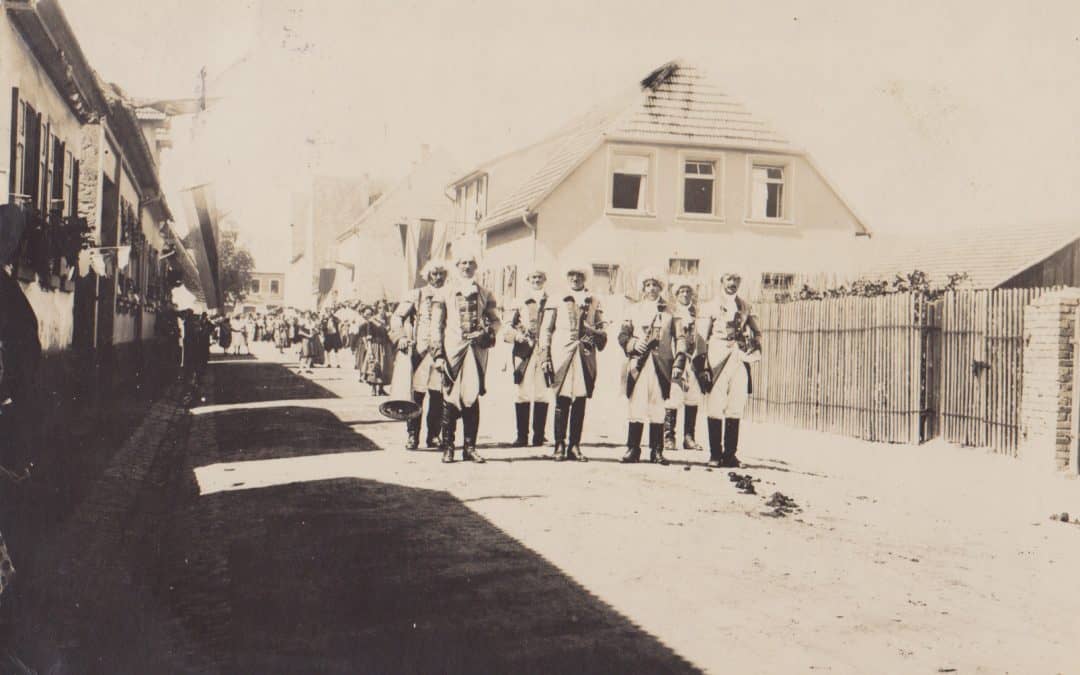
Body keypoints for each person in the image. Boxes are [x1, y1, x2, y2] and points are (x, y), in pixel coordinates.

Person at [431, 246, 501, 463]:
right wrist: (438, 354)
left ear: (476, 266)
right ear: (456, 266)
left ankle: (469, 447)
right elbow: (436, 326)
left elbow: (496, 321)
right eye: (463, 263)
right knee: (450, 397)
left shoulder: (485, 293)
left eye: (471, 263)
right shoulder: (444, 293)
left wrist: (487, 332)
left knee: (471, 397)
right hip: (453, 349)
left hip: (475, 351)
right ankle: (448, 447)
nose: (467, 267)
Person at [538, 263, 606, 462]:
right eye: (571, 275)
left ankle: (575, 445)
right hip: (562, 354)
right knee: (562, 399)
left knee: (580, 399)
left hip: (585, 355)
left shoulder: (593, 300)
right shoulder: (556, 299)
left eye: (579, 275)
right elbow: (546, 330)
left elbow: (602, 329)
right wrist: (545, 356)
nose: (575, 279)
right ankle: (559, 444)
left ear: (585, 278)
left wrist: (594, 333)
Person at [696, 272, 762, 468]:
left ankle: (730, 454)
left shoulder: (746, 307)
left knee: (736, 404)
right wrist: (702, 366)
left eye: (736, 280)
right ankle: (715, 454)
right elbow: (701, 338)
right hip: (717, 359)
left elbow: (757, 333)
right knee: (715, 405)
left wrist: (754, 346)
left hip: (739, 359)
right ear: (721, 281)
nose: (732, 284)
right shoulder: (710, 306)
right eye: (729, 280)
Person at [617, 269, 682, 466]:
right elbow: (622, 336)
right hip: (639, 363)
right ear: (643, 288)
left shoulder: (671, 311)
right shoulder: (633, 310)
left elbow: (680, 338)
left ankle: (657, 451)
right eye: (648, 285)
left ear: (661, 288)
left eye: (655, 285)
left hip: (661, 364)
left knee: (658, 407)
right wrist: (633, 345)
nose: (652, 289)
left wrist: (679, 363)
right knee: (636, 404)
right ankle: (633, 449)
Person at [390, 260, 449, 450]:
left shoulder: (451, 294)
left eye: (441, 274)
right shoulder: (416, 294)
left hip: (443, 352)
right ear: (427, 276)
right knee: (417, 396)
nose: (438, 278)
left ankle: (433, 436)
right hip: (420, 352)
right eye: (434, 274)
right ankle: (412, 435)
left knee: (438, 396)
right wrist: (401, 337)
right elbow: (397, 317)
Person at [502, 266, 552, 447]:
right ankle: (522, 436)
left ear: (544, 279)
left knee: (542, 392)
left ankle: (539, 436)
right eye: (533, 277)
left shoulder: (552, 300)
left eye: (539, 277)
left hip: (545, 351)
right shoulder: (519, 301)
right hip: (524, 351)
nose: (536, 280)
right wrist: (518, 336)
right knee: (522, 391)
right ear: (528, 280)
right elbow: (507, 326)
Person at [664, 277, 706, 452]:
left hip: (694, 361)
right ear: (676, 295)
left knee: (693, 397)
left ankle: (689, 438)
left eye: (688, 291)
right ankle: (668, 436)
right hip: (676, 360)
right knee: (674, 396)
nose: (685, 294)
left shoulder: (699, 314)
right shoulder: (671, 315)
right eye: (682, 291)